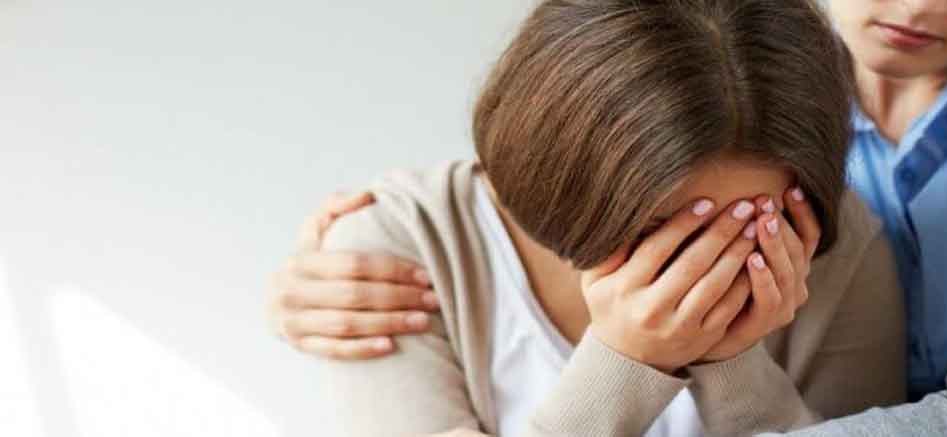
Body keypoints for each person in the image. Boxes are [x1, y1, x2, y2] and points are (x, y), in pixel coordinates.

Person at [269, 1, 907, 436]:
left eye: (741, 227)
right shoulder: (397, 245)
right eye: (662, 227)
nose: (696, 266)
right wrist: (626, 362)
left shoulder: (837, 246)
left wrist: (732, 362)